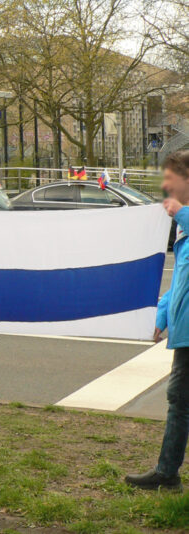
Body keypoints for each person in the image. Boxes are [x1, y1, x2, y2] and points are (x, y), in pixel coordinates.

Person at [126, 150, 189, 491]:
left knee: (180, 402)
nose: (164, 186)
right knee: (179, 400)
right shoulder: (182, 227)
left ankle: (168, 473)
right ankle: (168, 474)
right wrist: (161, 314)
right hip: (186, 333)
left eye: (169, 178)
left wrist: (183, 214)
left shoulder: (185, 220)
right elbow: (182, 278)